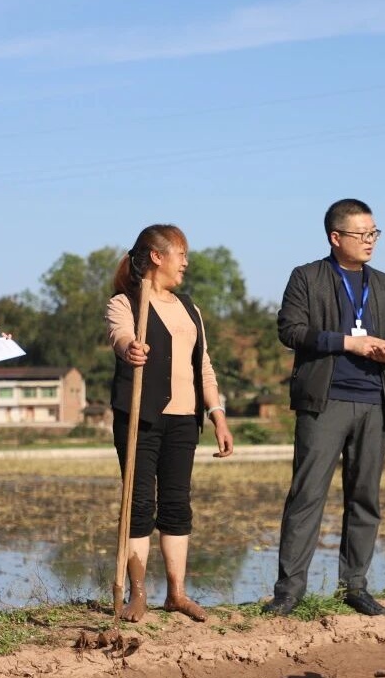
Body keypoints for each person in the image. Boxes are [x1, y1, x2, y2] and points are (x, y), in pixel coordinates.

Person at [263, 199, 385, 617]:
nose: (370, 241)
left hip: (373, 403)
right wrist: (348, 343)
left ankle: (354, 587)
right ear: (336, 237)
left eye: (374, 233)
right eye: (362, 234)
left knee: (365, 498)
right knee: (307, 496)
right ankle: (289, 591)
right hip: (323, 402)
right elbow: (290, 330)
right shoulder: (307, 277)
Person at [106, 224, 235, 623]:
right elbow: (119, 336)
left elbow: (204, 365)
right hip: (140, 419)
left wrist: (217, 415)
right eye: (181, 254)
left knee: (177, 503)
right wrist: (131, 349)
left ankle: (177, 593)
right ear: (157, 256)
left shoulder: (189, 307)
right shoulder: (125, 302)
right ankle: (137, 593)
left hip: (184, 420)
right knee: (139, 503)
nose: (186, 263)